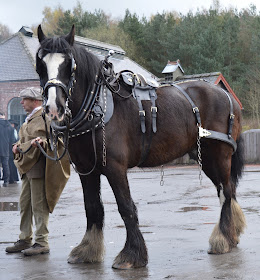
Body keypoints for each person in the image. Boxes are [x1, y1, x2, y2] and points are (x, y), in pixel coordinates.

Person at [5, 87, 70, 256]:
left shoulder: (47, 117)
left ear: (35, 101)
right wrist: (18, 145)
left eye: (24, 99)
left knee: (39, 206)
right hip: (27, 168)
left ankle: (42, 242)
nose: (21, 102)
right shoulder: (29, 119)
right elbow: (24, 139)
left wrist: (42, 144)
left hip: (40, 168)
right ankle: (25, 239)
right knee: (25, 206)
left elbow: (58, 141)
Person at [0, 111, 15, 187]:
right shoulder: (9, 126)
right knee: (5, 165)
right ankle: (6, 181)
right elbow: (12, 140)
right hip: (6, 149)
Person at [8, 119, 19, 184]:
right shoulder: (13, 131)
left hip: (13, 149)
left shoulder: (14, 131)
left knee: (12, 164)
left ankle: (14, 177)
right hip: (11, 149)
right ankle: (13, 177)